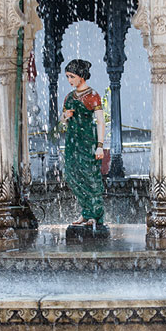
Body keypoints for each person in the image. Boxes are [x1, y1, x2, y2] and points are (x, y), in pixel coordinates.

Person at [61, 58, 105, 227]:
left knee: (90, 177)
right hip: (73, 142)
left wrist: (100, 146)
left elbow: (100, 121)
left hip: (88, 141)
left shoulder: (92, 96)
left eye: (72, 76)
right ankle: (85, 212)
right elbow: (62, 120)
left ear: (81, 76)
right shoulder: (69, 97)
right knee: (73, 176)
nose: (70, 80)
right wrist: (66, 117)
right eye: (67, 77)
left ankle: (96, 214)